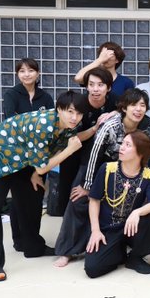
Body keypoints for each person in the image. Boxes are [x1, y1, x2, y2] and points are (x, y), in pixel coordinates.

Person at [0, 90, 89, 281]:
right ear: (59, 109)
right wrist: (68, 151)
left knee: (32, 197)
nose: (74, 117)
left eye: (79, 113)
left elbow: (61, 145)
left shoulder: (68, 126)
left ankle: (31, 246)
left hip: (23, 158)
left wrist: (36, 173)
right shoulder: (43, 124)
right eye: (70, 111)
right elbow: (45, 165)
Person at [54, 89, 150, 267]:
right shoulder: (111, 125)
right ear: (124, 108)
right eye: (133, 105)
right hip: (99, 166)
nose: (138, 109)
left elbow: (147, 156)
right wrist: (87, 185)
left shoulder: (149, 128)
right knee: (78, 201)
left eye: (142, 105)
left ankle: (126, 246)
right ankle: (68, 251)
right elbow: (94, 154)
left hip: (130, 170)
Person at [84, 131, 150, 278]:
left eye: (128, 145)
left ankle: (135, 257)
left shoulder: (149, 175)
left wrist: (137, 212)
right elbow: (94, 200)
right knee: (92, 269)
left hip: (131, 227)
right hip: (108, 228)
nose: (121, 147)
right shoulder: (107, 169)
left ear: (140, 153)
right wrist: (95, 230)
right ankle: (118, 252)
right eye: (122, 143)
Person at [2, 58, 55, 251]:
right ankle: (21, 241)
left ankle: (30, 240)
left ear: (38, 73)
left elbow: (49, 126)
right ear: (17, 74)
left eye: (31, 70)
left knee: (35, 198)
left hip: (40, 156)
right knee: (18, 199)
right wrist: (35, 128)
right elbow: (12, 124)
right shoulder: (11, 94)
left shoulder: (45, 97)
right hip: (17, 155)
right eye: (22, 71)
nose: (27, 74)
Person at [58, 67, 117, 215]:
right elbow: (70, 137)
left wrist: (115, 112)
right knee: (69, 190)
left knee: (96, 192)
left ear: (108, 87)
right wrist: (95, 128)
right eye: (91, 84)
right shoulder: (78, 103)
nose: (95, 89)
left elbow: (126, 110)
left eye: (100, 85)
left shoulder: (115, 101)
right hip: (73, 151)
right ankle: (67, 221)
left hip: (99, 155)